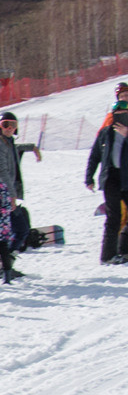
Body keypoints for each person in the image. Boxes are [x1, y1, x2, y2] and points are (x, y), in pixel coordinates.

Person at [0, 112, 39, 277]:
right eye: (5, 125)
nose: (10, 128)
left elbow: (16, 148)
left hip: (6, 196)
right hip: (0, 197)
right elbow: (0, 172)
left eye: (13, 125)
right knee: (18, 229)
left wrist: (32, 147)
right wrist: (11, 196)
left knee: (18, 229)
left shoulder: (7, 143)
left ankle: (5, 264)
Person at [86, 84, 128, 263]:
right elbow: (94, 155)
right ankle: (108, 255)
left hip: (127, 177)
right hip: (111, 177)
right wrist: (89, 177)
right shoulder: (106, 132)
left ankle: (124, 250)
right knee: (114, 216)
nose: (121, 113)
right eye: (117, 110)